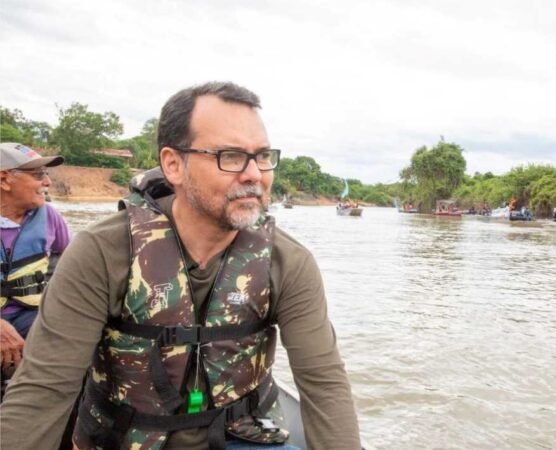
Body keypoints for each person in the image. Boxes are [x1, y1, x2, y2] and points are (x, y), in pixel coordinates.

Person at [0, 82, 360, 450]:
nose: (255, 174)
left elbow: (323, 382)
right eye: (231, 155)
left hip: (241, 437)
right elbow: (45, 387)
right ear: (173, 164)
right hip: (125, 438)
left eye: (263, 156)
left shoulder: (288, 261)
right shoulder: (102, 252)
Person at [0, 142, 71, 387]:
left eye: (46, 175)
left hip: (31, 319)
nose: (47, 183)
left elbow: (73, 272)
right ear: (4, 180)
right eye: (38, 175)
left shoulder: (51, 217)